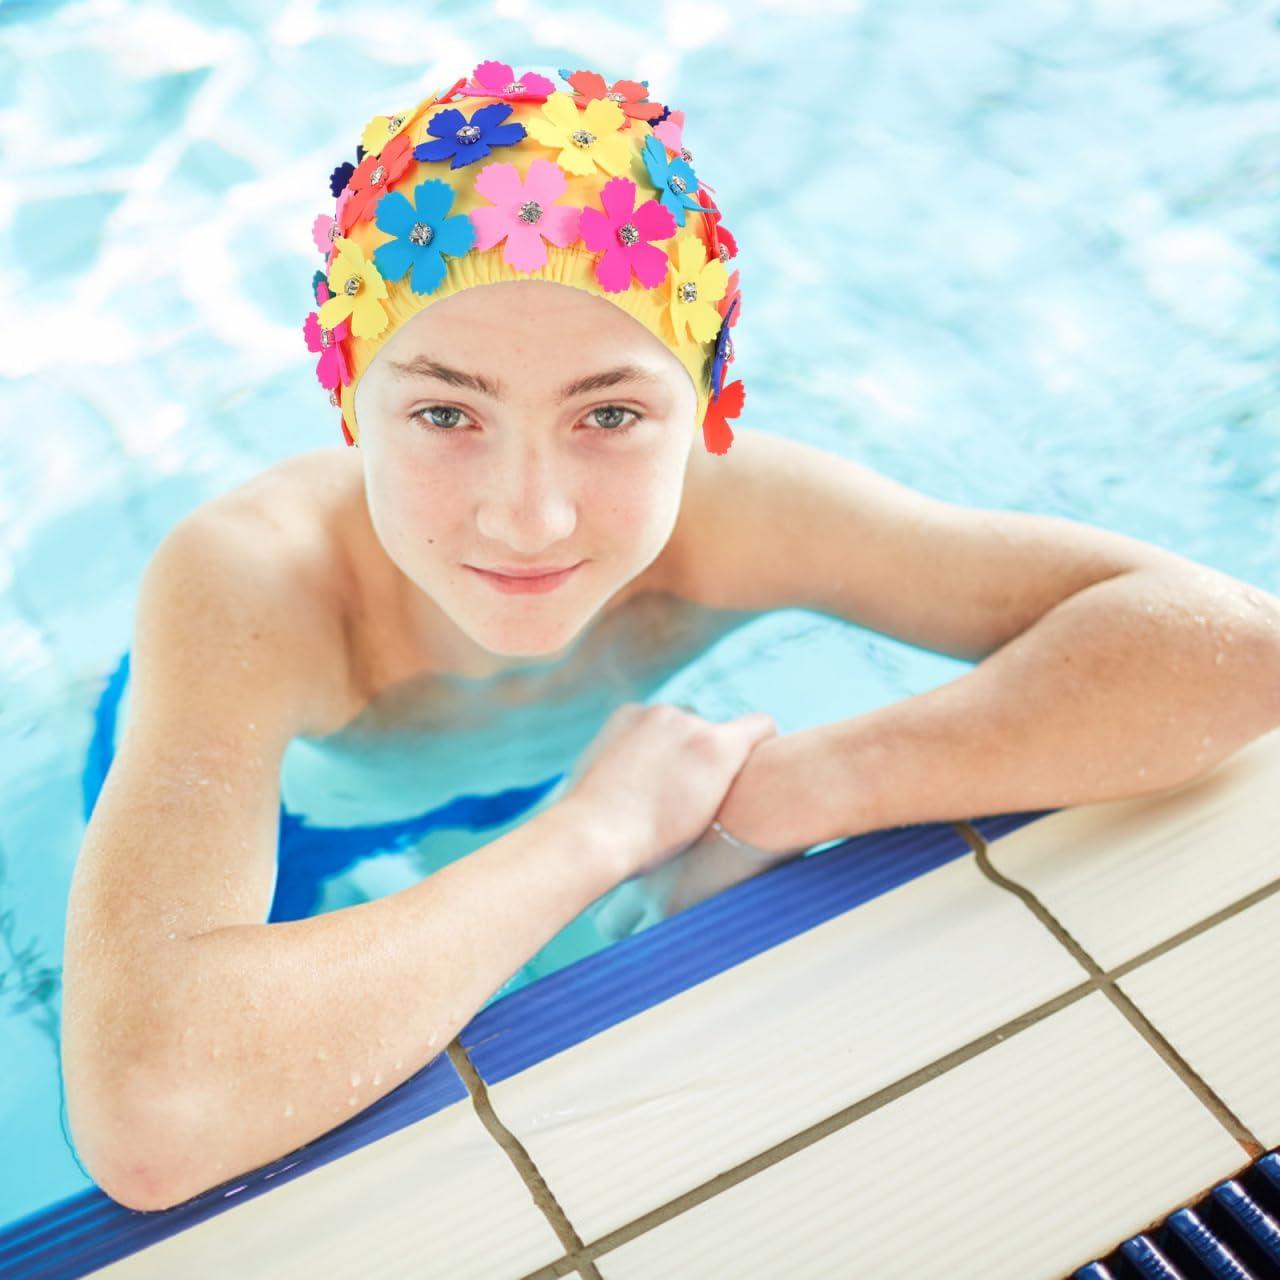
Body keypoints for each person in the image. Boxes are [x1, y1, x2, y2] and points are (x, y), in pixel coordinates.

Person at [59, 58, 804, 1214]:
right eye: (445, 413)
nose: (527, 516)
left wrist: (823, 785)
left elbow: (1186, 641)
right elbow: (151, 1115)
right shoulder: (252, 582)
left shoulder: (738, 515)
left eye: (609, 414)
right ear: (351, 399)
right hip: (288, 815)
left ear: (704, 404)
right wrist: (597, 829)